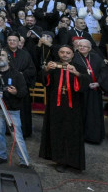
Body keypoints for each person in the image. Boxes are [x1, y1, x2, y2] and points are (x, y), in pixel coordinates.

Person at [39, 43, 86, 173]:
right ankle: (60, 160)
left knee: (72, 132)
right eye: (62, 52)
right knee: (57, 132)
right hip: (56, 106)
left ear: (72, 54)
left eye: (67, 52)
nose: (64, 55)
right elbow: (43, 80)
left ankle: (73, 161)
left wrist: (76, 73)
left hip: (73, 107)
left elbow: (86, 83)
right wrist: (47, 70)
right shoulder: (53, 66)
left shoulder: (80, 67)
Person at [0, 49, 30, 167]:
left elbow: (24, 92)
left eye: (2, 55)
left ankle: (24, 161)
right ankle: (1, 155)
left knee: (17, 137)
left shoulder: (17, 75)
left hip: (12, 111)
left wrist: (15, 92)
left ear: (8, 58)